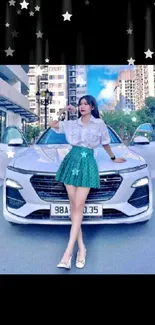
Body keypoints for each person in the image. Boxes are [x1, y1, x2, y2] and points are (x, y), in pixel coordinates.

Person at [49, 95, 126, 270]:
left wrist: (113, 158)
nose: (82, 106)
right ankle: (82, 248)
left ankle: (68, 252)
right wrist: (63, 110)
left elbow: (105, 143)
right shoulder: (71, 124)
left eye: (86, 104)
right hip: (71, 161)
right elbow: (51, 125)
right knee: (73, 205)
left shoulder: (99, 124)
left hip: (87, 162)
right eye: (80, 104)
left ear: (92, 107)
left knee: (79, 204)